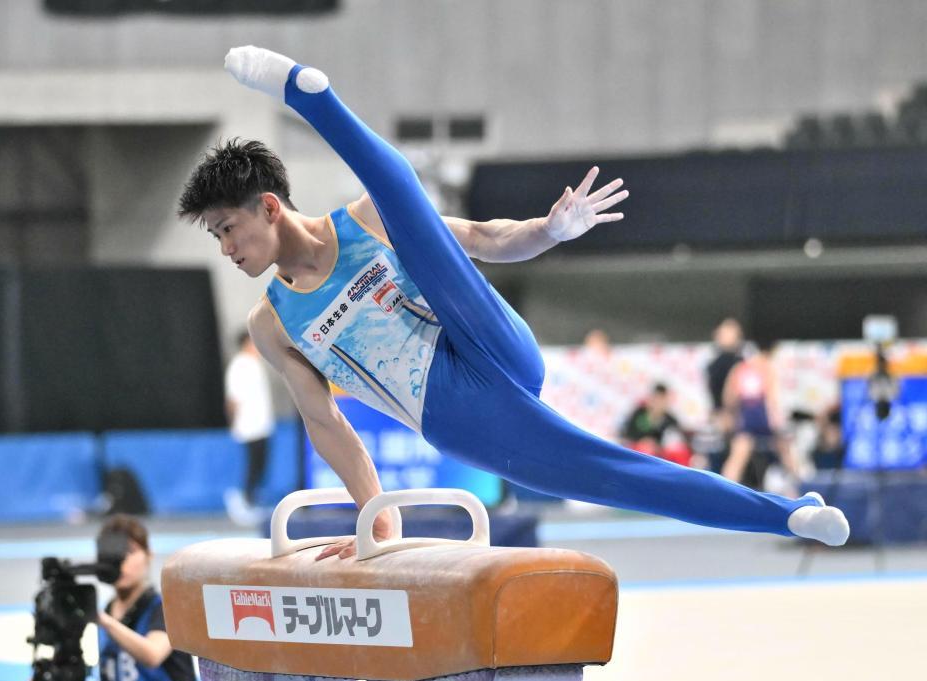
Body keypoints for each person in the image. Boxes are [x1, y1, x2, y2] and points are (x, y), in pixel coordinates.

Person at [177, 46, 849, 553]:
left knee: (401, 213)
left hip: (481, 333)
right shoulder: (273, 325)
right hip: (456, 409)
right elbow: (329, 428)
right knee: (615, 475)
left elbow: (485, 239)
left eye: (227, 229)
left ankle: (313, 99)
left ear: (268, 207)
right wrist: (379, 519)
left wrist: (549, 230)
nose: (226, 250)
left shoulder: (364, 222)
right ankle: (787, 513)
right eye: (216, 237)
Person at [95, 514, 206, 681]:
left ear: (149, 555)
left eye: (130, 551)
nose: (121, 561)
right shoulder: (107, 612)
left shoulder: (165, 608)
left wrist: (105, 623)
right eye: (112, 554)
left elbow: (152, 655)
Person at [720, 340, 799, 486]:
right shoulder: (766, 367)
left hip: (747, 415)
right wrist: (777, 422)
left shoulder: (740, 369)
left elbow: (729, 398)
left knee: (738, 455)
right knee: (785, 451)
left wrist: (732, 416)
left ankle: (724, 488)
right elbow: (772, 397)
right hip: (763, 413)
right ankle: (800, 485)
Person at [223, 329, 275, 525]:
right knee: (252, 465)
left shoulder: (256, 364)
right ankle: (242, 499)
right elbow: (232, 399)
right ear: (246, 343)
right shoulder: (239, 365)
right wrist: (234, 422)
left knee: (260, 465)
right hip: (248, 425)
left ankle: (252, 499)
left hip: (262, 425)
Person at [621, 383, 691, 465]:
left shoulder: (670, 420)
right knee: (645, 449)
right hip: (639, 452)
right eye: (656, 398)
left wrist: (658, 447)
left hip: (661, 456)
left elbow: (678, 440)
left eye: (661, 399)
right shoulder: (639, 413)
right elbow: (626, 433)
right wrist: (643, 442)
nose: (658, 403)